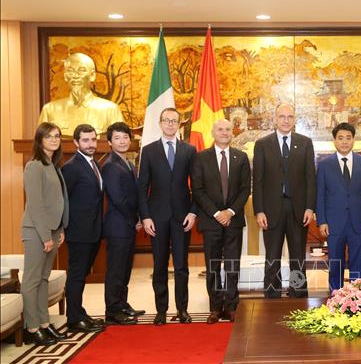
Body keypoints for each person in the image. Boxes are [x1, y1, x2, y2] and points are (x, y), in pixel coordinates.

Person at [138, 108, 197, 325]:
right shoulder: (149, 150)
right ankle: (161, 310)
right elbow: (142, 186)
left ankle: (182, 309)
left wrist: (193, 212)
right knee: (160, 265)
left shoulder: (189, 150)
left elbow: (197, 185)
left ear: (179, 124)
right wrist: (145, 217)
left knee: (181, 266)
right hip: (157, 217)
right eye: (166, 120)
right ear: (160, 123)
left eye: (174, 121)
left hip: (182, 217)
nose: (170, 124)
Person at [253, 103, 316, 298]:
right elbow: (258, 180)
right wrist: (259, 210)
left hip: (299, 210)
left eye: (290, 116)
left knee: (298, 256)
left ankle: (298, 293)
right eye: (282, 116)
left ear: (295, 119)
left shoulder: (305, 143)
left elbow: (310, 178)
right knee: (272, 256)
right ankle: (272, 295)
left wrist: (310, 207)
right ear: (275, 119)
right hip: (271, 210)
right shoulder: (262, 144)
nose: (286, 120)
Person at [191, 119, 251, 323]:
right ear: (213, 132)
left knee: (232, 265)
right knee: (213, 266)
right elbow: (197, 190)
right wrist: (217, 213)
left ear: (232, 133)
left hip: (233, 220)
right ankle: (215, 307)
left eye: (227, 129)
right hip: (211, 221)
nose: (224, 133)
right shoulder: (201, 158)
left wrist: (230, 212)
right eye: (220, 129)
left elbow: (245, 188)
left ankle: (232, 306)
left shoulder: (241, 157)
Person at [20, 123, 68, 345]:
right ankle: (31, 327)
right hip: (36, 232)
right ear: (39, 140)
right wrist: (45, 236)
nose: (54, 139)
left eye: (57, 136)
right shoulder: (34, 166)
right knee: (32, 280)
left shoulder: (53, 165)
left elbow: (58, 201)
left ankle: (44, 323)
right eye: (48, 136)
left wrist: (60, 229)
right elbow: (36, 204)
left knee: (43, 278)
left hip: (52, 230)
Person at [316, 123, 361, 291]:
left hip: (359, 222)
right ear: (334, 141)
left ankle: (357, 299)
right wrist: (322, 221)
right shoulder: (324, 164)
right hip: (333, 224)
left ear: (353, 140)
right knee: (335, 264)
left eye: (348, 138)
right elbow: (320, 195)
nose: (344, 142)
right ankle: (335, 298)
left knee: (358, 265)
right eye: (341, 138)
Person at [61, 124, 105, 333]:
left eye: (93, 140)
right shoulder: (71, 167)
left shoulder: (94, 163)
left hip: (93, 230)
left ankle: (79, 312)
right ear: (76, 142)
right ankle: (74, 319)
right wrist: (62, 229)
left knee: (82, 274)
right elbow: (63, 200)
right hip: (78, 232)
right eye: (85, 140)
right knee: (76, 275)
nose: (90, 144)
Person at [101, 122, 145, 325]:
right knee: (116, 270)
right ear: (110, 142)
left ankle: (122, 304)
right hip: (118, 226)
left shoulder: (127, 162)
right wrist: (135, 219)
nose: (122, 141)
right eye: (117, 138)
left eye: (125, 137)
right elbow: (118, 199)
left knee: (125, 268)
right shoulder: (110, 165)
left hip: (127, 225)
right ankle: (112, 311)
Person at [38, 53, 124, 136]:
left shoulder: (110, 110)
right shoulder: (50, 110)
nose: (75, 76)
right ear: (65, 76)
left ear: (92, 75)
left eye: (81, 70)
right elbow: (40, 143)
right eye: (70, 71)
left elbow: (121, 141)